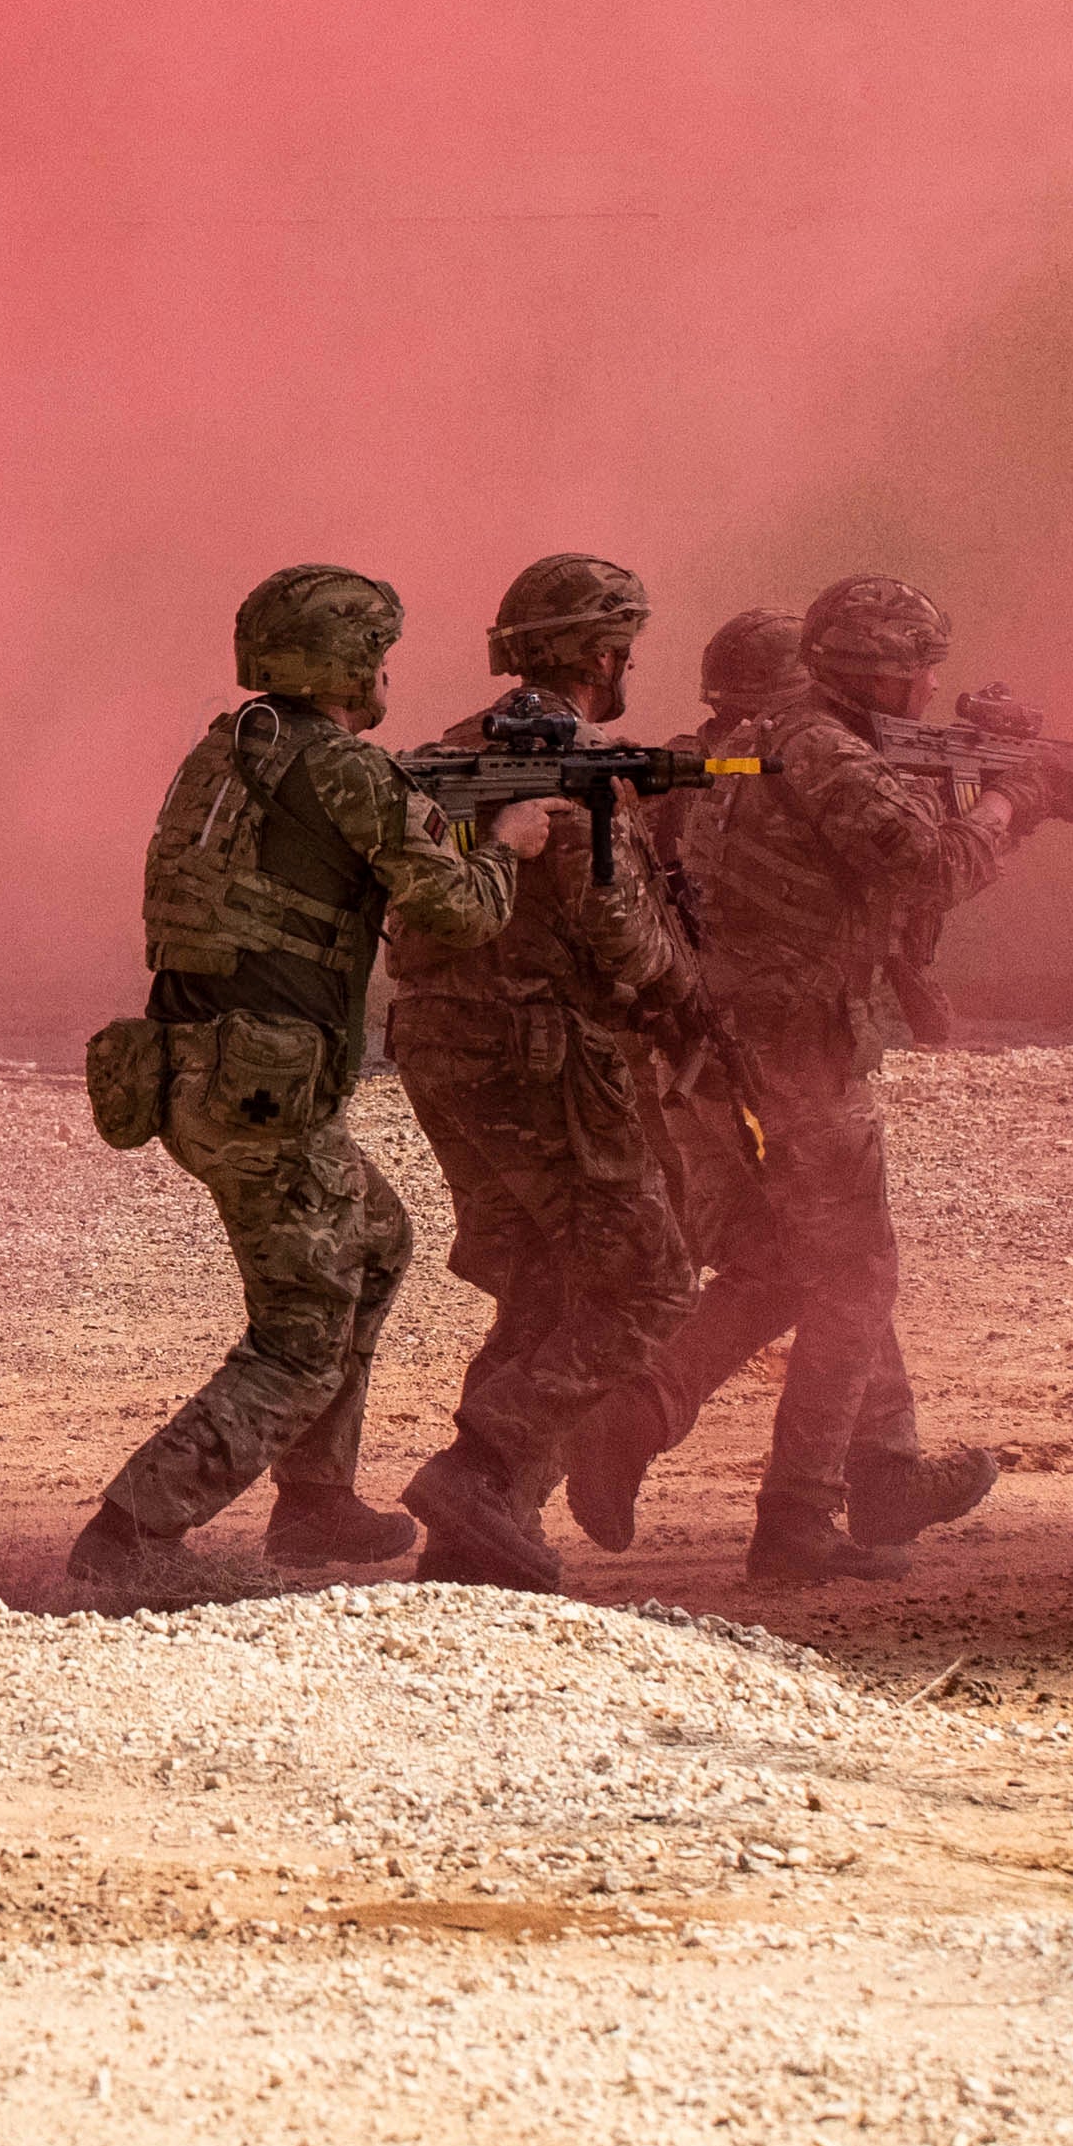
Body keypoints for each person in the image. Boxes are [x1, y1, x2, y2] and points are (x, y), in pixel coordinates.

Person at [58, 565, 542, 1604]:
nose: (383, 672)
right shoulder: (348, 773)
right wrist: (506, 845)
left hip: (194, 1067)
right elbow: (457, 913)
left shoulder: (225, 756)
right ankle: (131, 1525)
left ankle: (314, 1498)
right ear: (346, 658)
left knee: (373, 1236)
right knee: (300, 1329)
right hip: (261, 1088)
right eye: (375, 652)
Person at [666, 571, 1073, 1586]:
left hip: (734, 1038)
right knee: (831, 1270)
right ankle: (724, 1473)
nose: (930, 691)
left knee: (831, 1260)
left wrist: (1004, 784)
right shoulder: (806, 754)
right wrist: (1014, 799)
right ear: (882, 675)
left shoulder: (768, 748)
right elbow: (919, 868)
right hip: (783, 1042)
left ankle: (876, 1471)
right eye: (917, 673)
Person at [380, 555, 706, 1594]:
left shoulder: (447, 756)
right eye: (622, 649)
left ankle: (480, 1536)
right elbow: (616, 933)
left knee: (543, 1282)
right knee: (648, 1279)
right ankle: (477, 1474)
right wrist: (683, 990)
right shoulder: (574, 767)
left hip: (440, 1049)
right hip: (544, 1056)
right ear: (599, 653)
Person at [567, 603, 806, 1550]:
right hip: (748, 1057)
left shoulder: (669, 775)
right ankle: (639, 1417)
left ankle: (879, 1466)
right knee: (801, 1261)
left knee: (824, 1255)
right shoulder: (764, 784)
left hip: (681, 1060)